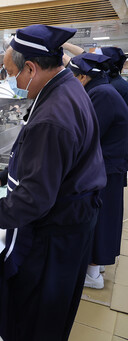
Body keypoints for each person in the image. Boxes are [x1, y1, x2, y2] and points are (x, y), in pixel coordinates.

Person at [0, 25, 106, 341]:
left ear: (31, 68)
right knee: (54, 311)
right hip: (75, 218)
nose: (13, 82)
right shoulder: (65, 86)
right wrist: (1, 176)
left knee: (40, 318)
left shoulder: (53, 114)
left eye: (13, 74)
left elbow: (36, 197)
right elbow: (48, 162)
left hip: (58, 230)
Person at [69, 53, 128, 289]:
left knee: (101, 218)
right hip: (108, 164)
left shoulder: (101, 94)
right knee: (106, 217)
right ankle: (97, 265)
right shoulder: (102, 89)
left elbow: (88, 134)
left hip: (107, 167)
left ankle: (93, 272)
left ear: (83, 77)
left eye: (72, 77)